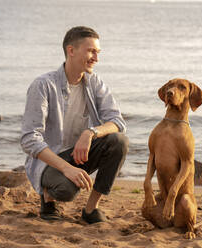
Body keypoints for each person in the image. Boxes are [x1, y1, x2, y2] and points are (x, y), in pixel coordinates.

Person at [20, 26, 128, 223]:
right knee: (66, 191)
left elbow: (117, 122)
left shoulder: (94, 82)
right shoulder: (43, 85)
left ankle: (91, 210)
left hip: (79, 153)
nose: (96, 58)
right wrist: (66, 168)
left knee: (118, 141)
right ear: (71, 50)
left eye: (98, 52)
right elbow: (29, 139)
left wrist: (91, 132)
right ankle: (47, 198)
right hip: (50, 159)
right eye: (91, 51)